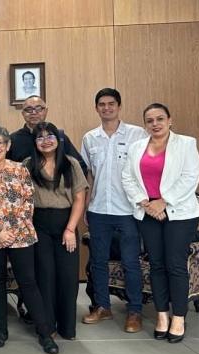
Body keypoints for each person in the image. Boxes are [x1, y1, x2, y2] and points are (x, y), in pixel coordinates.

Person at [0, 126, 59, 354]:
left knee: (28, 282)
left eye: (0, 143)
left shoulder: (20, 170)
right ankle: (1, 330)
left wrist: (13, 231)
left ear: (8, 146)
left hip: (21, 235)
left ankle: (44, 333)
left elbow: (28, 202)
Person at [121, 103, 199, 343]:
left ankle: (178, 317)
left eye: (159, 119)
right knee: (156, 265)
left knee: (175, 264)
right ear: (145, 124)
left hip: (179, 213)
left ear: (170, 120)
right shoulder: (137, 147)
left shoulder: (186, 144)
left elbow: (190, 178)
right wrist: (145, 203)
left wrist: (163, 202)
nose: (155, 124)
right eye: (149, 120)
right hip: (148, 213)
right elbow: (127, 177)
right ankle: (162, 315)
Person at [81, 88, 148, 332]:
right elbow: (87, 174)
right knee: (98, 261)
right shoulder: (90, 138)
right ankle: (102, 307)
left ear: (119, 106)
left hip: (128, 210)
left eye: (111, 104)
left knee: (130, 261)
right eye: (102, 104)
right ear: (96, 108)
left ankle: (135, 311)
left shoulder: (137, 135)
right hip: (99, 210)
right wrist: (86, 207)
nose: (106, 108)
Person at [23, 122, 88, 340]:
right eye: (40, 138)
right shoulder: (27, 165)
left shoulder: (70, 164)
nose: (45, 141)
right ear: (35, 143)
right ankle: (47, 325)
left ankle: (67, 327)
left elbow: (80, 198)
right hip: (38, 223)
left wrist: (70, 229)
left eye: (49, 136)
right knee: (45, 275)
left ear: (57, 139)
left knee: (68, 276)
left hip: (66, 223)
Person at [9, 96, 87, 174]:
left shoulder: (59, 137)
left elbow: (80, 166)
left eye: (38, 109)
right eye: (29, 109)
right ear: (23, 114)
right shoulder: (13, 139)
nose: (34, 112)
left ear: (46, 111)